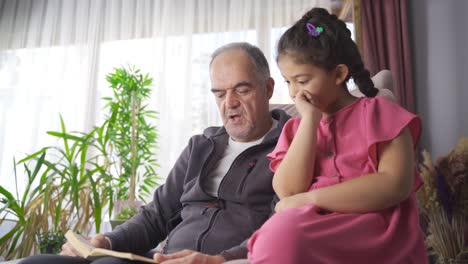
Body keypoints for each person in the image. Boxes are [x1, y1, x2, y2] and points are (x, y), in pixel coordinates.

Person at [19, 42, 290, 264]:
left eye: (241, 90)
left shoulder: (292, 147)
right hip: (163, 259)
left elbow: (281, 226)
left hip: (220, 261)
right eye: (219, 94)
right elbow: (156, 216)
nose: (229, 103)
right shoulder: (202, 146)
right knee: (37, 263)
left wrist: (220, 258)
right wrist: (108, 241)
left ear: (267, 89)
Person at [246, 8, 428, 264]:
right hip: (315, 226)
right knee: (277, 236)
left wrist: (310, 198)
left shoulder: (380, 113)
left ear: (339, 74)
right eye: (288, 82)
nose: (295, 93)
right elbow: (287, 191)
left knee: (286, 233)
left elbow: (395, 184)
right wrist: (309, 121)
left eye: (302, 80)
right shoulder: (296, 129)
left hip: (376, 229)